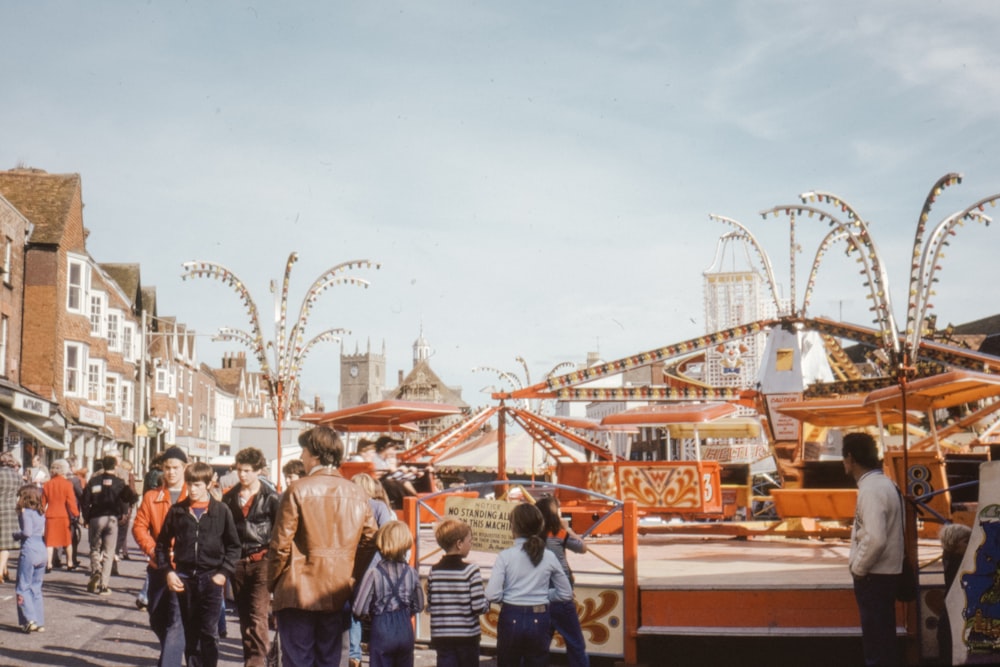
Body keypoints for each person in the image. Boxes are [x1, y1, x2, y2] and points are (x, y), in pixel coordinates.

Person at [268, 426, 377, 667]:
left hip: (297, 592)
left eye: (303, 451)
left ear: (315, 454)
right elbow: (372, 539)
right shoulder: (357, 493)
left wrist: (272, 584)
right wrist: (351, 573)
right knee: (330, 660)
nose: (301, 457)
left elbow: (280, 545)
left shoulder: (297, 489)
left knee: (298, 660)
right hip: (336, 592)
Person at [156, 461, 241, 667]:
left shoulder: (221, 511)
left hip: (211, 578)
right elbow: (161, 545)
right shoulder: (177, 511)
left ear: (209, 484)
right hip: (183, 578)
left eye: (198, 485)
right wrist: (168, 571)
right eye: (190, 484)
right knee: (189, 631)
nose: (193, 490)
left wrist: (223, 573)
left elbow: (234, 547)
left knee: (209, 632)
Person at [843, 431, 904, 667]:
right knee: (885, 642)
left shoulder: (870, 490)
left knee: (876, 647)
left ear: (850, 458)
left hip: (873, 577)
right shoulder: (886, 484)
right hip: (887, 574)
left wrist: (858, 568)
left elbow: (875, 538)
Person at [485, 503, 572, 667]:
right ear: (540, 526)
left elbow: (492, 595)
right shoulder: (549, 556)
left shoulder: (505, 556)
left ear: (513, 527)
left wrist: (509, 596)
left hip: (511, 614)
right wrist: (546, 595)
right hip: (540, 615)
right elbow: (566, 593)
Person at [222, 447, 280, 667]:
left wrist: (274, 557)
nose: (242, 475)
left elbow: (279, 530)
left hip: (261, 561)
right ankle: (252, 658)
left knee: (258, 614)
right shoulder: (229, 498)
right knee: (245, 615)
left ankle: (256, 661)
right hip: (237, 562)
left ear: (258, 471)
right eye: (239, 470)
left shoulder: (271, 498)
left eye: (247, 470)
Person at [134, 446, 189, 667]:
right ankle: (169, 654)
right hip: (158, 566)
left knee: (176, 622)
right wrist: (153, 550)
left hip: (184, 568)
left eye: (175, 468)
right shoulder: (151, 496)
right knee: (157, 617)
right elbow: (139, 527)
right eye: (167, 468)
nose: (171, 472)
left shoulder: (193, 495)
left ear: (184, 468)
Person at [352, 521, 425, 667]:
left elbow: (359, 609)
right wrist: (405, 612)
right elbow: (419, 605)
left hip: (381, 628)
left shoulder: (374, 573)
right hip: (405, 628)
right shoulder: (411, 572)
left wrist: (371, 613)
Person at [348, 472, 397, 666]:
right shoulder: (379, 507)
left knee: (354, 610)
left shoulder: (349, 507)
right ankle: (377, 653)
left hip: (352, 563)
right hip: (374, 564)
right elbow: (386, 534)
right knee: (376, 609)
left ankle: (354, 654)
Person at [426, 517, 489, 667]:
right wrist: (488, 601)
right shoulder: (471, 570)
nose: (471, 544)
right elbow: (479, 607)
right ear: (459, 544)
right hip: (467, 637)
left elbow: (432, 603)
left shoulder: (434, 571)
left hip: (442, 637)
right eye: (470, 541)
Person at [537, 496, 589, 667]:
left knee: (539, 646)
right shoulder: (559, 533)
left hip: (539, 595)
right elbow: (582, 548)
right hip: (561, 594)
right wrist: (569, 529)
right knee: (575, 643)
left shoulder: (532, 537)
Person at [81, 454, 133, 595]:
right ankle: (104, 585)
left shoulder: (94, 481)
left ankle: (96, 569)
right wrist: (123, 513)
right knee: (109, 552)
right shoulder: (120, 482)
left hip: (96, 517)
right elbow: (126, 499)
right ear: (115, 466)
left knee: (95, 548)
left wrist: (86, 518)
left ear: (103, 465)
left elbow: (85, 500)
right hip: (112, 518)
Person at [14, 483, 46, 633]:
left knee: (23, 586)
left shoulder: (26, 512)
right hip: (41, 549)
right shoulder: (40, 513)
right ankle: (39, 621)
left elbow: (26, 532)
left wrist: (16, 535)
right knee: (36, 588)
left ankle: (29, 619)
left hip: (29, 549)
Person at [938, 522, 972, 662]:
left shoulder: (948, 557)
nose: (970, 545)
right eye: (966, 542)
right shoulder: (959, 561)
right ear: (955, 544)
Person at [42, 458, 80, 572]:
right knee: (67, 541)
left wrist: (41, 512)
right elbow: (71, 502)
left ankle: (48, 564)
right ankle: (69, 563)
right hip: (63, 516)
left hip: (50, 516)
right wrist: (76, 514)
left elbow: (43, 502)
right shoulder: (67, 484)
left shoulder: (47, 484)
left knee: (49, 542)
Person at [0, 451, 22, 583]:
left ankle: (3, 569)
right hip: (10, 511)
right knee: (6, 544)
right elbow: (20, 494)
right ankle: (2, 569)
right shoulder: (17, 476)